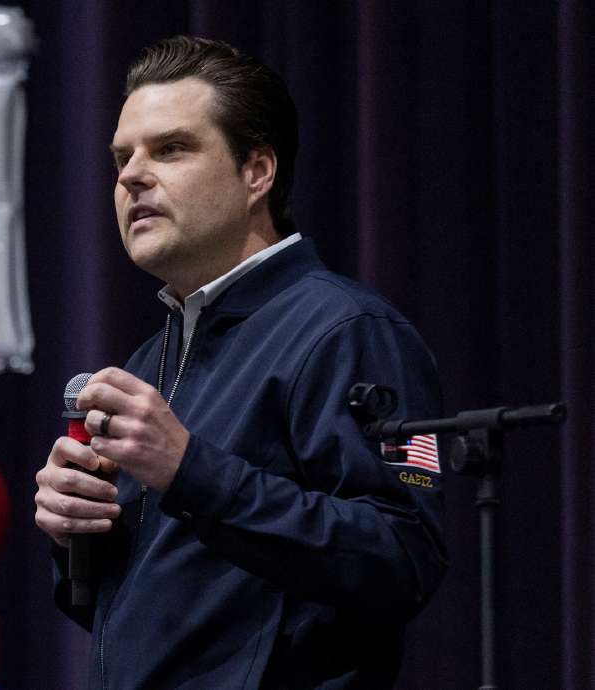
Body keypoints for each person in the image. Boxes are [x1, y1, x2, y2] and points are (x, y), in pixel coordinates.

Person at [33, 36, 446, 689]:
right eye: (121, 157)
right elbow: (166, 619)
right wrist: (78, 536)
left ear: (257, 172)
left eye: (171, 149)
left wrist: (190, 469)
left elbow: (403, 555)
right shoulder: (148, 362)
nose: (131, 175)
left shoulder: (349, 331)